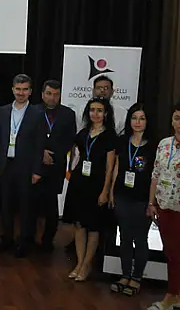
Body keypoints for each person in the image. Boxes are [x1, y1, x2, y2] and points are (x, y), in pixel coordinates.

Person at [0, 74, 45, 257]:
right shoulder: (4, 110)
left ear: (30, 91)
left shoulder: (37, 113)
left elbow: (39, 145)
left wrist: (37, 170)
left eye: (25, 89)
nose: (21, 93)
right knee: (6, 205)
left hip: (26, 167)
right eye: (18, 89)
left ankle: (24, 242)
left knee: (25, 207)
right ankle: (7, 238)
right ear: (13, 89)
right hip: (6, 164)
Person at [62, 97, 117, 282]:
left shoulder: (109, 136)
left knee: (94, 227)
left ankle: (87, 264)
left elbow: (110, 167)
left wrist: (105, 191)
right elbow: (75, 153)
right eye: (92, 110)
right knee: (79, 225)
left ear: (106, 113)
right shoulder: (83, 133)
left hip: (97, 185)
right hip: (79, 182)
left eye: (99, 110)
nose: (95, 113)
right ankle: (79, 262)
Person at [109, 103, 153, 296]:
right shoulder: (122, 141)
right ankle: (125, 275)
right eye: (134, 118)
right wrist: (111, 192)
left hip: (142, 199)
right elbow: (117, 168)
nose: (138, 122)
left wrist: (151, 202)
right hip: (122, 196)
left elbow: (155, 176)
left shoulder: (153, 145)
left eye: (142, 118)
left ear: (147, 121)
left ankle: (137, 277)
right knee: (125, 238)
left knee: (140, 239)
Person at [31, 80, 76, 252]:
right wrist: (41, 153)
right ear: (43, 94)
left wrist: (53, 155)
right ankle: (29, 237)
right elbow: (27, 136)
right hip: (35, 164)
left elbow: (70, 139)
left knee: (51, 206)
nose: (52, 98)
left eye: (56, 94)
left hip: (55, 166)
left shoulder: (68, 114)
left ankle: (48, 240)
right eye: (49, 94)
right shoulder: (33, 110)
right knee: (32, 204)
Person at [146, 104, 180, 310]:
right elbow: (155, 175)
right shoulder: (164, 144)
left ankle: (172, 295)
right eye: (177, 118)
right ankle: (174, 295)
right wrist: (152, 203)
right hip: (164, 206)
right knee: (171, 253)